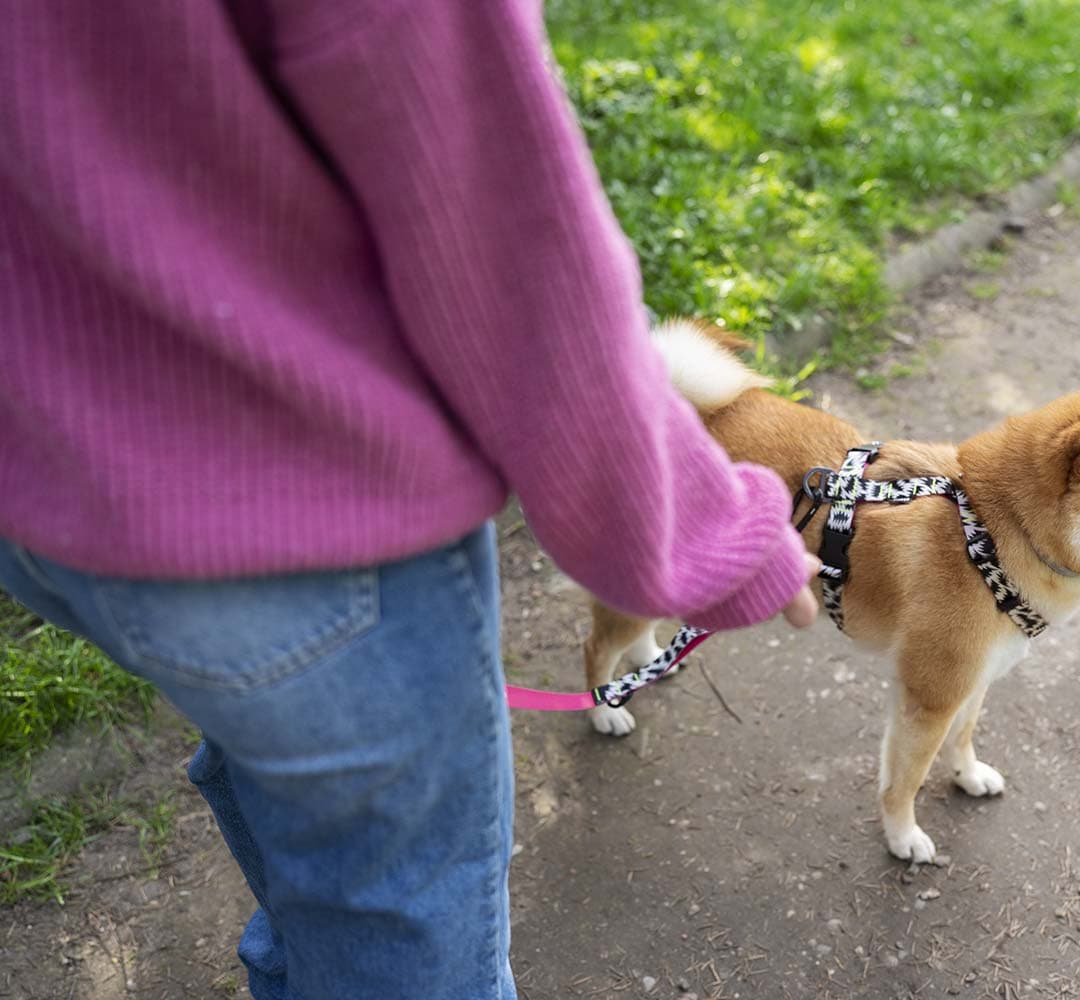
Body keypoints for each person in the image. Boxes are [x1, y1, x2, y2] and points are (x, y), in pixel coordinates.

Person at [0, 3, 818, 998]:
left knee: (288, 791)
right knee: (400, 912)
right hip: (312, 536)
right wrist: (711, 535)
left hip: (48, 497)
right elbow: (514, 254)